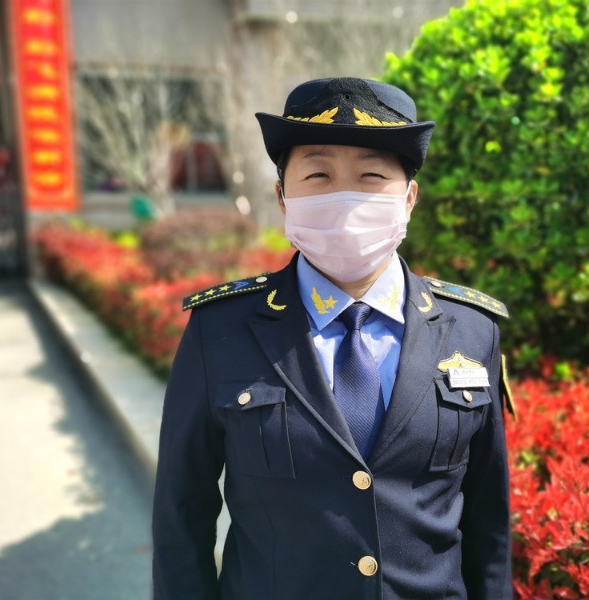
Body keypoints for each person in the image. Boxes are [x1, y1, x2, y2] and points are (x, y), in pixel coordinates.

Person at [152, 77, 514, 599]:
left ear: (409, 198)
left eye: (371, 175)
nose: (346, 198)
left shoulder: (472, 329)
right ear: (283, 197)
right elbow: (181, 515)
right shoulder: (221, 329)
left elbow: (488, 523)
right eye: (318, 174)